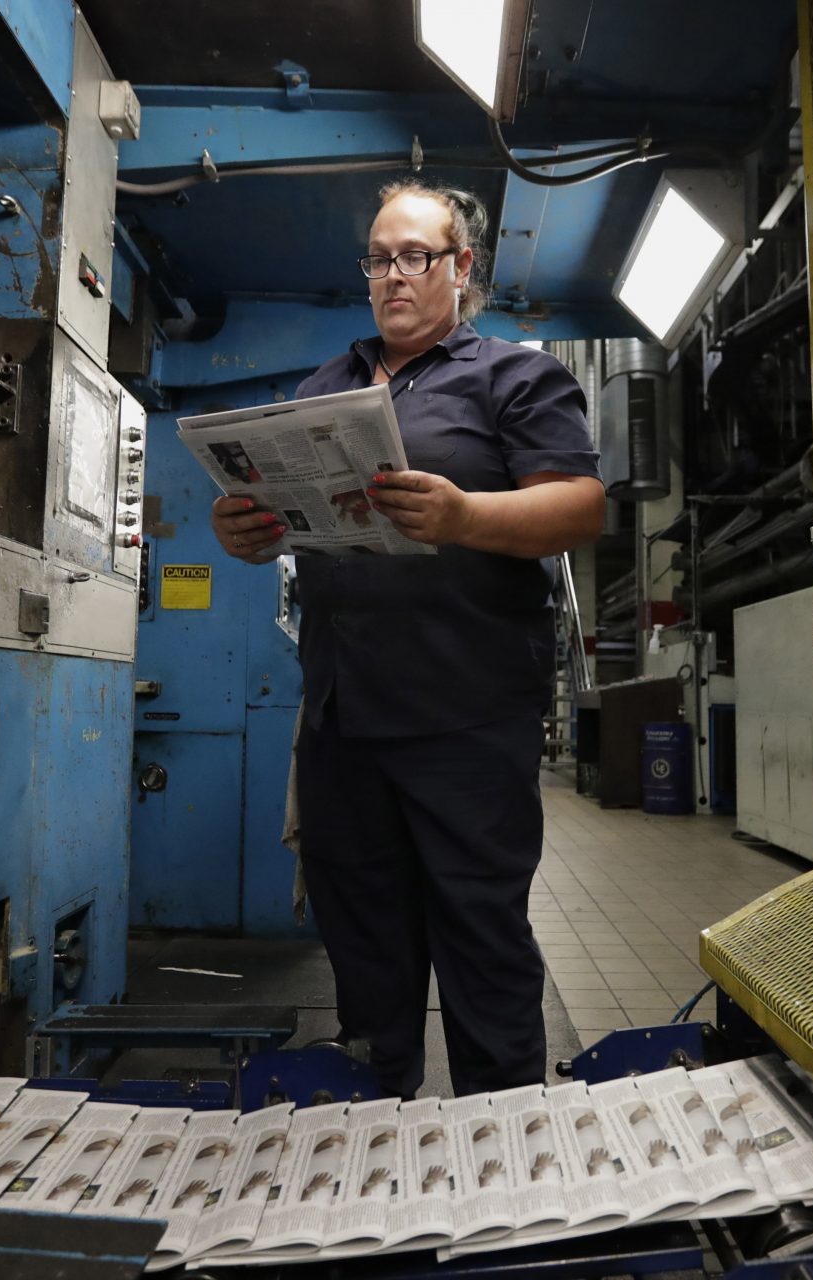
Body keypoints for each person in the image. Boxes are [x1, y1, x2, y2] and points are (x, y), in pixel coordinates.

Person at [210, 179, 604, 1098]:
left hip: (467, 716)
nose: (393, 276)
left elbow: (580, 506)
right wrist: (245, 535)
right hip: (345, 717)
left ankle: (499, 1138)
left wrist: (466, 517)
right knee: (365, 943)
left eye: (415, 256)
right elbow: (283, 515)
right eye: (379, 259)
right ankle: (380, 1132)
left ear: (461, 268)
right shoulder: (327, 386)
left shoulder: (514, 377)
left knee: (479, 932)